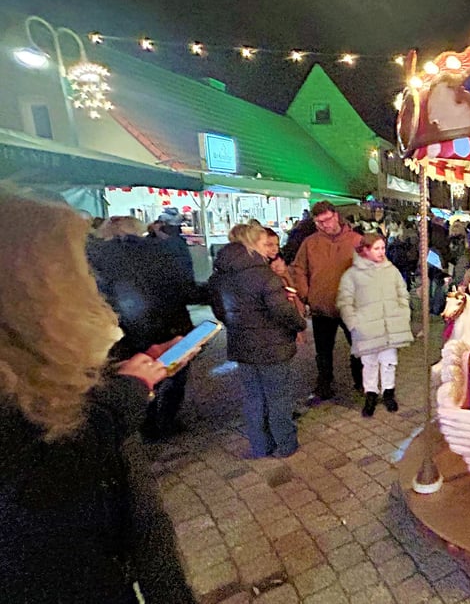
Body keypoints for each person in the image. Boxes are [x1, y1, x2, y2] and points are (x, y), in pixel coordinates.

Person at [0, 191, 195, 603]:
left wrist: (122, 374)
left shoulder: (43, 365)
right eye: (77, 269)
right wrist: (128, 391)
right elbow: (47, 471)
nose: (90, 283)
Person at [88, 216, 203, 441]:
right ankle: (168, 421)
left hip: (129, 331)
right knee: (175, 372)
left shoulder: (95, 258)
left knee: (140, 374)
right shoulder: (158, 251)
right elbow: (182, 286)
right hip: (169, 323)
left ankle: (147, 425)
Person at [210, 224, 306, 458]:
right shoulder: (265, 276)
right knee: (278, 397)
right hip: (272, 347)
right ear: (252, 244)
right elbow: (283, 312)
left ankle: (261, 446)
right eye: (264, 244)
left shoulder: (219, 277)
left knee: (253, 398)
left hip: (241, 346)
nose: (268, 249)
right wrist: (300, 323)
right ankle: (285, 444)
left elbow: (220, 312)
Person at [292, 201, 363, 401]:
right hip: (321, 307)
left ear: (336, 216)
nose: (325, 225)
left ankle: (361, 382)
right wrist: (306, 294)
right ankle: (324, 384)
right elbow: (298, 268)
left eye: (327, 220)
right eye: (319, 222)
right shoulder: (310, 243)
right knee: (323, 351)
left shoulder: (356, 240)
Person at [337, 233, 414, 417]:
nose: (381, 252)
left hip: (389, 327)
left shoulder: (391, 271)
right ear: (365, 250)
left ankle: (389, 392)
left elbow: (402, 293)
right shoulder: (353, 275)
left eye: (383, 248)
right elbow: (345, 301)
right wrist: (354, 324)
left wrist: (403, 313)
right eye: (376, 248)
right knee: (369, 363)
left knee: (388, 362)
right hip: (367, 329)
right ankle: (370, 394)